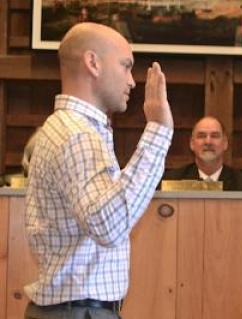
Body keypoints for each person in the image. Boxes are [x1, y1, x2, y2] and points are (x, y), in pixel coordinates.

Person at [24, 22, 173, 319]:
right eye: (126, 66)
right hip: (79, 313)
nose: (132, 81)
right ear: (93, 63)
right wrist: (158, 131)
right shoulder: (77, 134)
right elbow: (110, 226)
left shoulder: (69, 129)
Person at [162, 116, 242, 191]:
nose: (208, 142)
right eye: (201, 136)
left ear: (225, 143)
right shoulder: (172, 180)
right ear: (191, 144)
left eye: (215, 136)